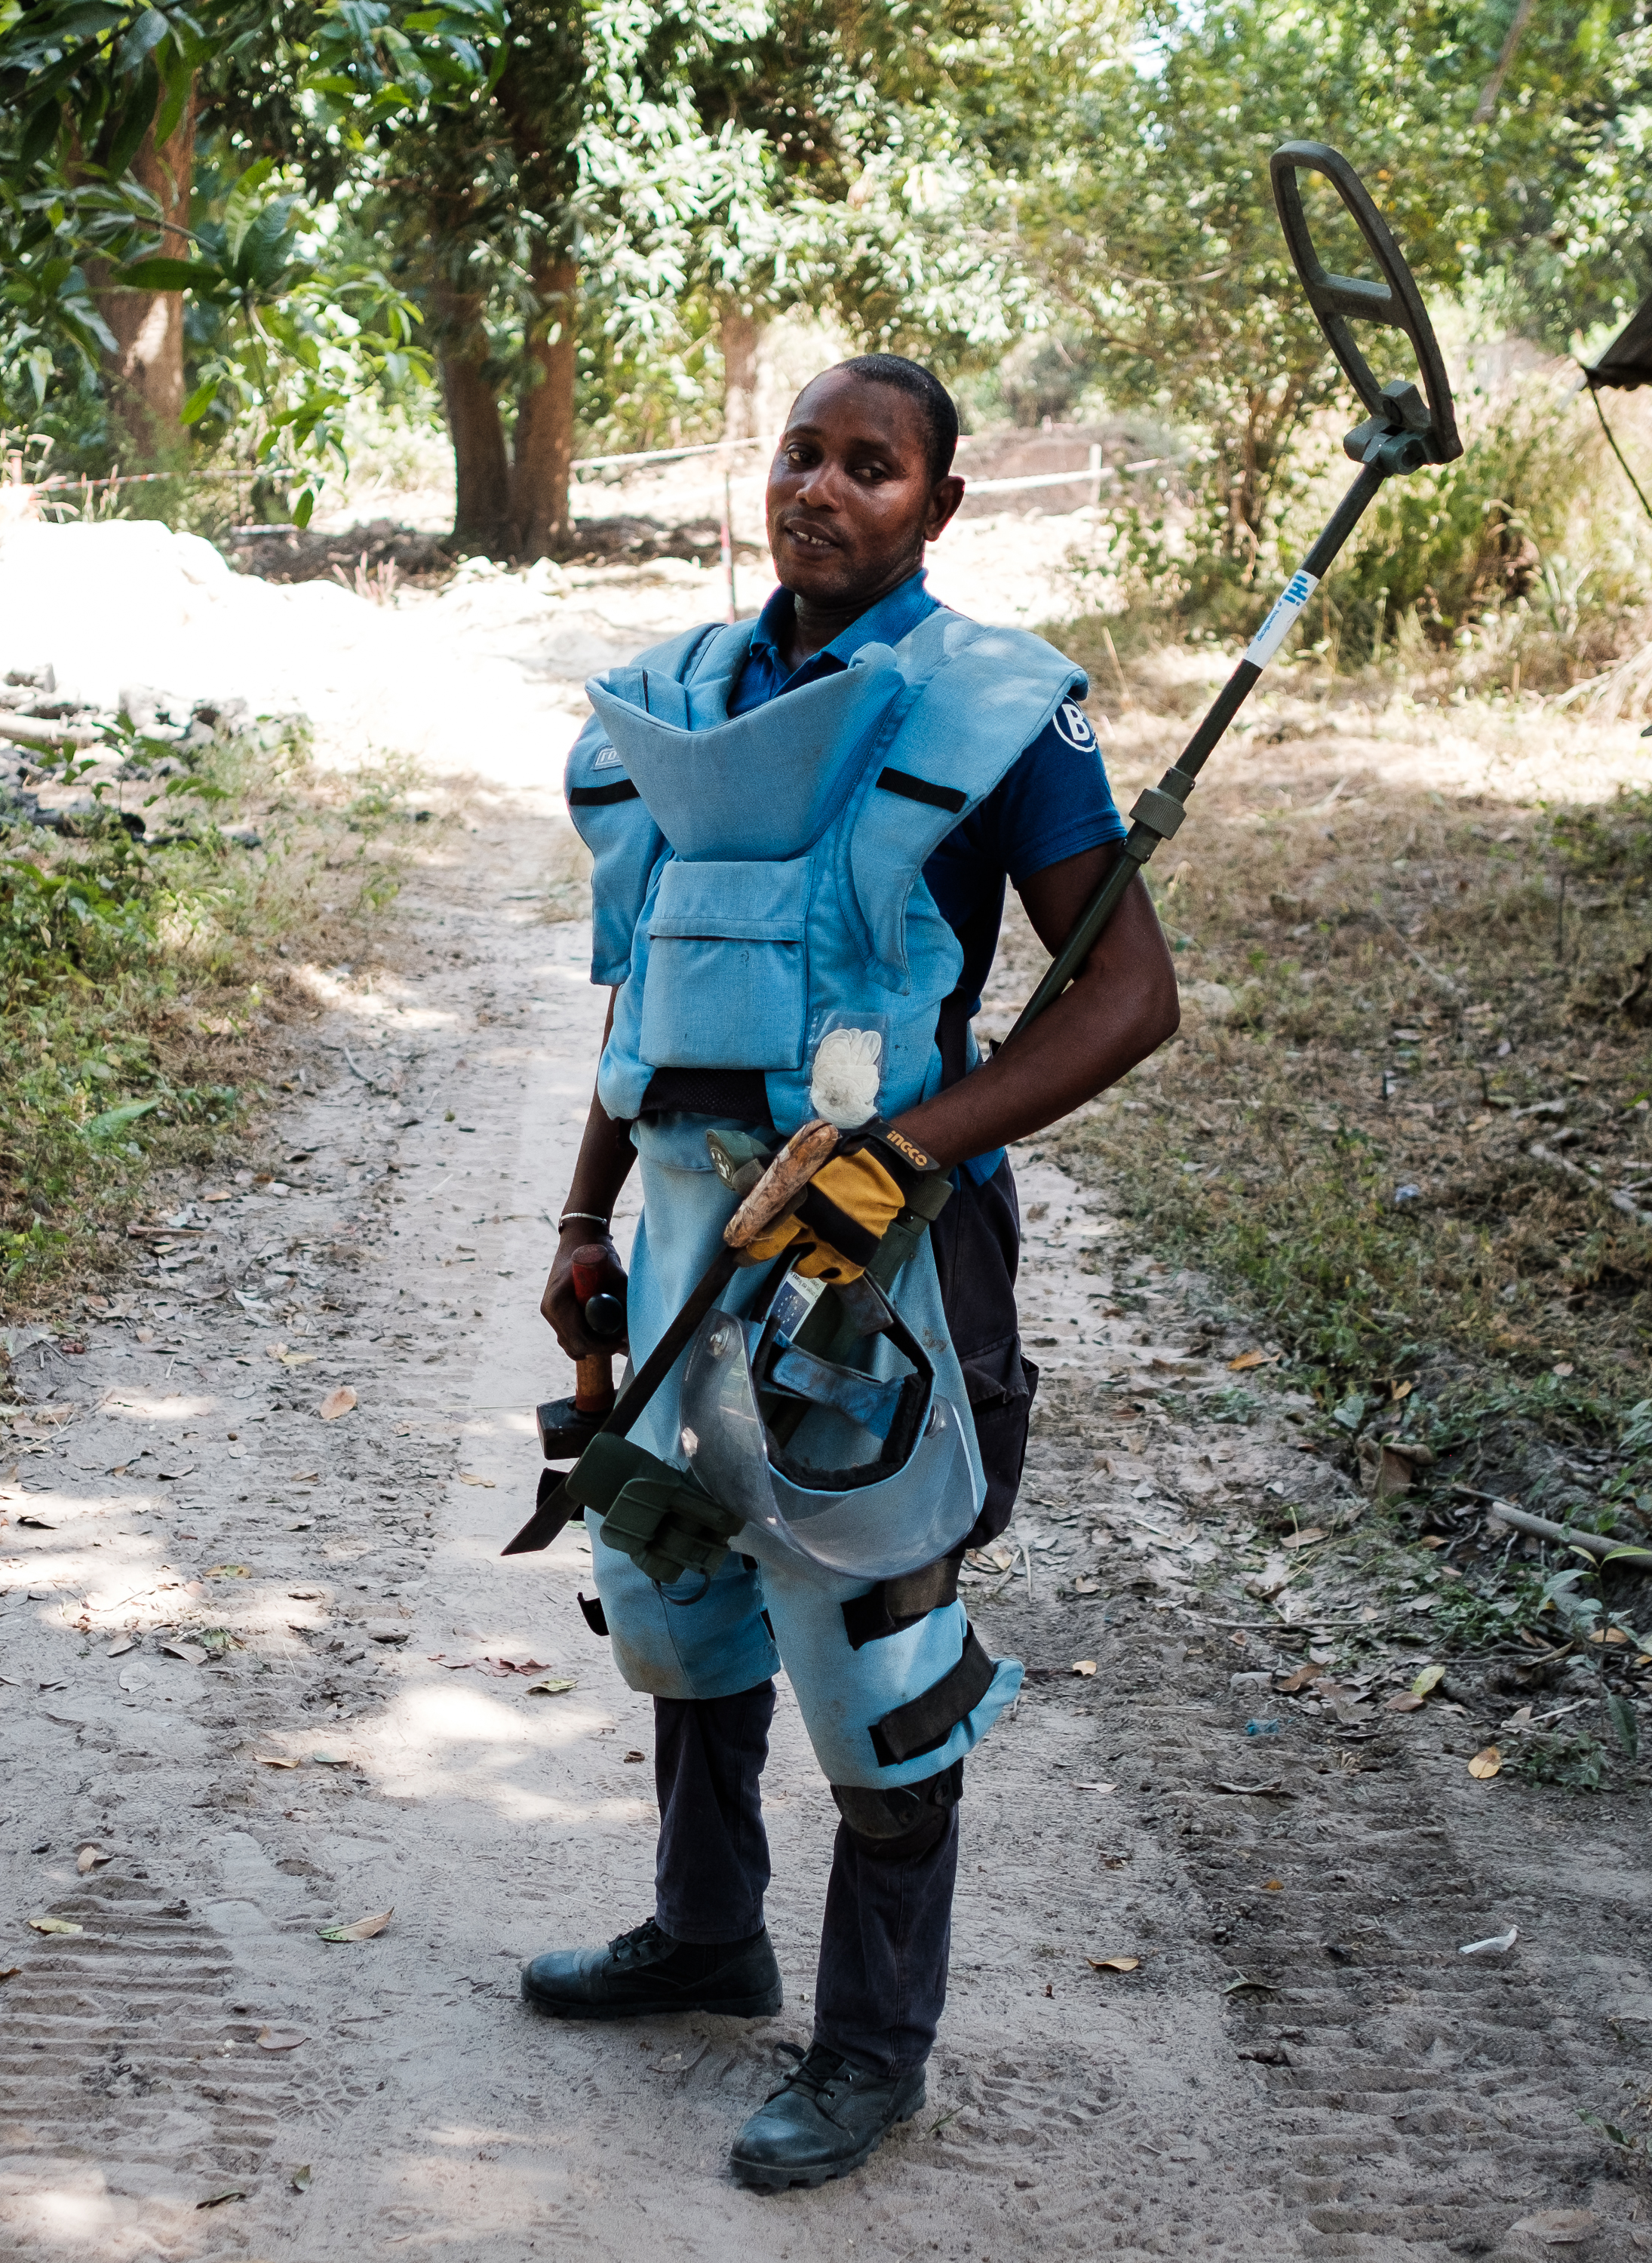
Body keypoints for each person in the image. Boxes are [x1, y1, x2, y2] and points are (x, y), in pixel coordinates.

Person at [523, 354, 1180, 2191]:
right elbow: (643, 1005)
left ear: (938, 509)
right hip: (677, 1230)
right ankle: (704, 1930)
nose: (823, 487)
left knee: (876, 1636)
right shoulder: (674, 711)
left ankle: (873, 2048)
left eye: (871, 466)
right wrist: (587, 1220)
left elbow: (1131, 998)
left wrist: (919, 1146)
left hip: (880, 1252)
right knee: (676, 1578)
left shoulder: (1000, 719)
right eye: (802, 454)